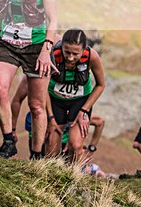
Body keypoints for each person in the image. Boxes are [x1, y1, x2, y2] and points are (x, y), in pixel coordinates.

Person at [0, 0, 57, 160]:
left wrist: (47, 50)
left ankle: (37, 155)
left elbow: (53, 20)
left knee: (37, 105)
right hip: (6, 41)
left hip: (36, 46)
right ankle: (9, 141)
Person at [44, 29, 105, 165]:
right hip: (55, 101)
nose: (70, 57)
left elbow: (100, 85)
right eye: (67, 52)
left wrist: (84, 110)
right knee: (51, 147)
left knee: (76, 145)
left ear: (84, 50)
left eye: (75, 54)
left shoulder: (92, 57)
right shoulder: (51, 54)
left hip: (79, 102)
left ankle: (73, 176)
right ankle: (50, 179)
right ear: (62, 46)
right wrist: (50, 117)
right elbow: (43, 88)